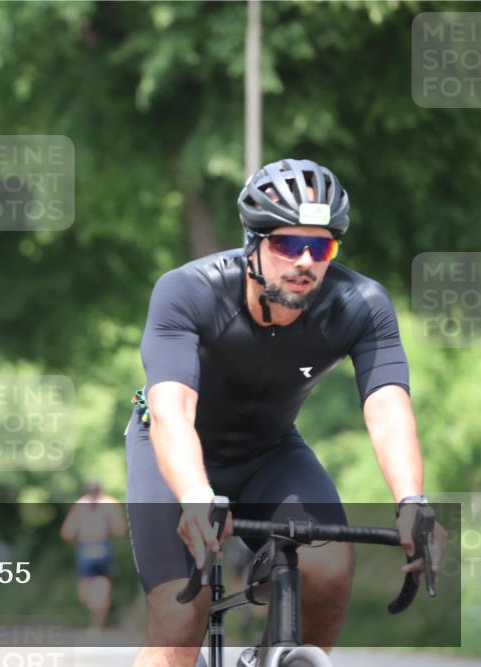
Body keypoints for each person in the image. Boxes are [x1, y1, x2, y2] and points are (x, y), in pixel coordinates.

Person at [125, 159, 447, 667]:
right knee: (179, 618)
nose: (304, 261)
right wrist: (194, 496)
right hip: (175, 453)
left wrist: (413, 501)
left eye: (320, 246)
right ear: (253, 244)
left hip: (270, 452)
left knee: (331, 565)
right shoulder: (187, 291)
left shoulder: (361, 304)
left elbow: (386, 406)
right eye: (286, 244)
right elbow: (172, 410)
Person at [61, 480, 126, 632]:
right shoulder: (108, 504)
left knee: (95, 587)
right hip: (96, 546)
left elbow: (67, 532)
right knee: (95, 589)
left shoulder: (82, 505)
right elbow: (120, 530)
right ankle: (97, 619)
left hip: (91, 546)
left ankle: (96, 624)